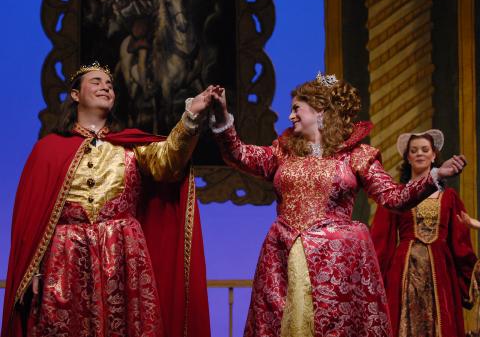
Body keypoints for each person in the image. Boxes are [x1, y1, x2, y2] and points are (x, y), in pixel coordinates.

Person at [209, 74, 466, 337]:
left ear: (320, 111)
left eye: (297, 108)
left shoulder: (356, 156)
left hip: (335, 265)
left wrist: (434, 176)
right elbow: (238, 154)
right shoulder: (282, 152)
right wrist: (222, 118)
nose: (291, 116)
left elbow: (394, 198)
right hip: (283, 256)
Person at [1, 62, 212, 337]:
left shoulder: (132, 147)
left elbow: (169, 161)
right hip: (65, 259)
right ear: (76, 94)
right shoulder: (48, 150)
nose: (105, 87)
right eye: (96, 81)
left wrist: (190, 118)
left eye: (110, 85)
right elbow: (33, 224)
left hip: (122, 254)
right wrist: (35, 271)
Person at [370, 130, 479, 337]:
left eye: (424, 149)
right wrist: (373, 280)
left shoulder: (449, 198)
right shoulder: (397, 196)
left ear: (434, 155)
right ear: (408, 158)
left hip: (440, 270)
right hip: (404, 269)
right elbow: (382, 240)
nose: (419, 153)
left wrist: (471, 271)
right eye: (414, 150)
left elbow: (460, 243)